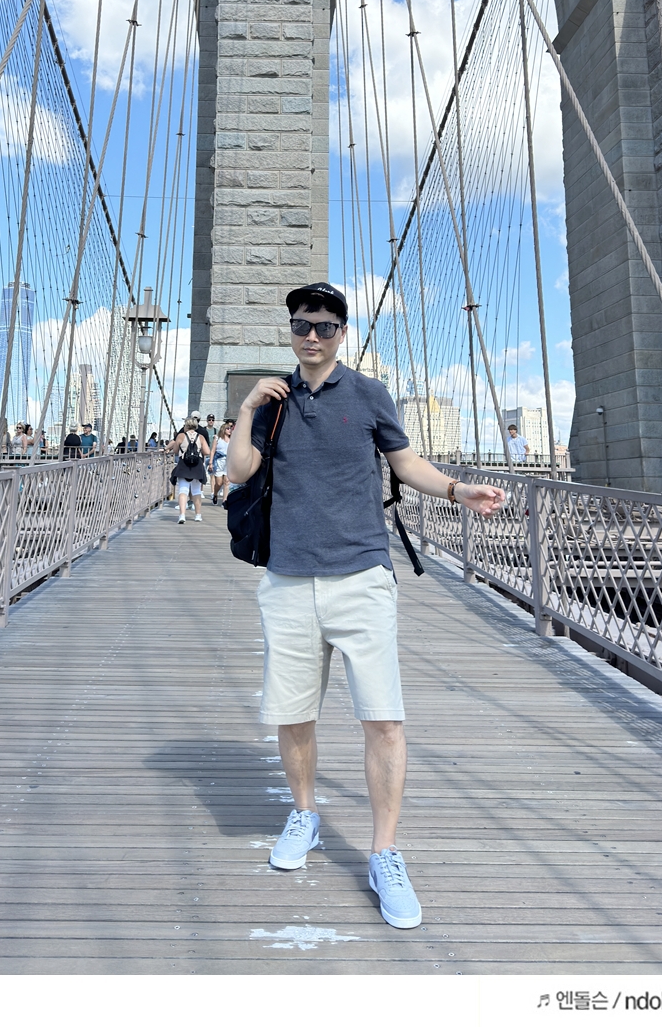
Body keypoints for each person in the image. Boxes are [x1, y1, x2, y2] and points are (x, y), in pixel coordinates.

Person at [227, 280, 505, 930]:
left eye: (325, 326)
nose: (312, 336)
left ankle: (384, 855)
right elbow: (239, 471)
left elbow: (406, 464)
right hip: (289, 579)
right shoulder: (273, 401)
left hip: (361, 578)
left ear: (342, 333)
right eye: (302, 325)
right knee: (294, 714)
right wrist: (245, 409)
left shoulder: (369, 393)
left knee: (383, 720)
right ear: (290, 331)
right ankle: (305, 815)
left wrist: (458, 489)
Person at [166, 417, 210, 524]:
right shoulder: (200, 437)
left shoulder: (181, 436)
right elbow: (207, 452)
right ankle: (198, 515)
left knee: (183, 490)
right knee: (196, 491)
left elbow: (175, 451)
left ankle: (182, 515)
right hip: (197, 466)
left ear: (186, 425)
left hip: (184, 466)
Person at [208, 419, 234, 504]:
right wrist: (210, 462)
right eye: (228, 428)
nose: (230, 430)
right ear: (224, 429)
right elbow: (213, 451)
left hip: (228, 462)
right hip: (219, 461)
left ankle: (224, 501)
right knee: (219, 483)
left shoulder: (232, 439)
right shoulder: (217, 439)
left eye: (230, 428)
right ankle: (215, 493)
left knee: (227, 481)